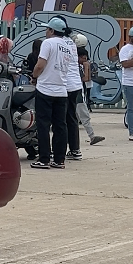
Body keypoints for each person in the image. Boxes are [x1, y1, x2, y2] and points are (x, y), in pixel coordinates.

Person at [31, 17, 78, 168]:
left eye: (47, 29)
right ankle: (59, 159)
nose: (46, 31)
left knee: (43, 125)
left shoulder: (48, 43)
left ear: (52, 30)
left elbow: (40, 65)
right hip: (62, 90)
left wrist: (34, 76)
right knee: (60, 126)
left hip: (45, 88)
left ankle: (44, 158)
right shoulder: (67, 45)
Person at [74, 38, 104, 146]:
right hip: (77, 95)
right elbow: (86, 79)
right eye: (83, 57)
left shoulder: (78, 66)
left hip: (77, 93)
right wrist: (87, 67)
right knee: (84, 116)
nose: (85, 59)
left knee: (75, 117)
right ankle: (91, 136)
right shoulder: (77, 67)